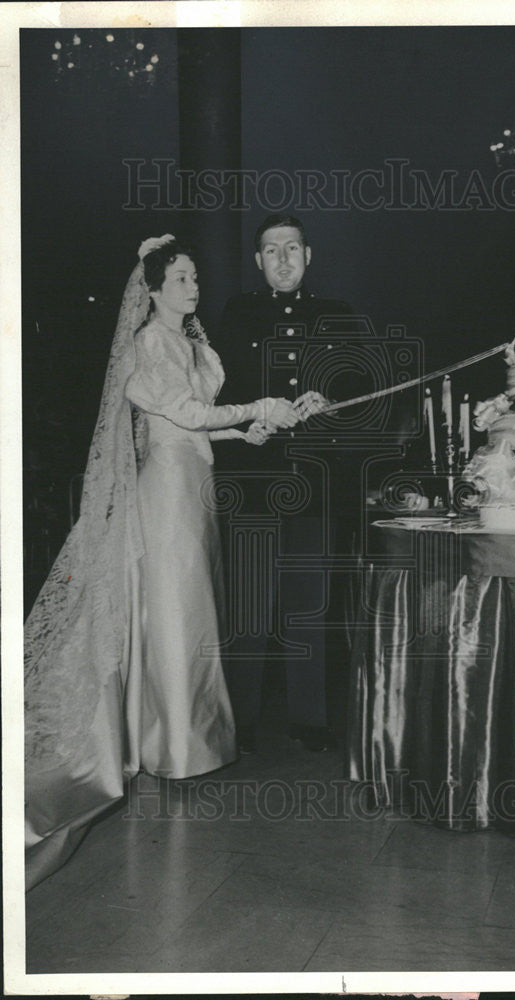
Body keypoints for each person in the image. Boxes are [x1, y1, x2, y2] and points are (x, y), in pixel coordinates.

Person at [24, 234, 298, 889]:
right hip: (166, 491)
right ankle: (174, 746)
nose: (191, 287)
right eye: (178, 278)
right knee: (174, 611)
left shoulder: (195, 346)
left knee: (188, 610)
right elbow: (179, 411)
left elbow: (197, 422)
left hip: (192, 487)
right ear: (150, 289)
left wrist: (245, 430)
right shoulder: (150, 342)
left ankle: (171, 739)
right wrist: (257, 407)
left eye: (194, 277)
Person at [215, 214, 357, 753]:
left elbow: (364, 385)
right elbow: (220, 387)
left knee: (309, 603)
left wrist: (328, 398)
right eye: (271, 250)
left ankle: (310, 719)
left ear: (309, 255)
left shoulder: (337, 315)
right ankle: (240, 720)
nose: (282, 259)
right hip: (252, 481)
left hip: (315, 483)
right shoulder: (238, 312)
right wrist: (254, 416)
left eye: (292, 248)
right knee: (250, 606)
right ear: (258, 261)